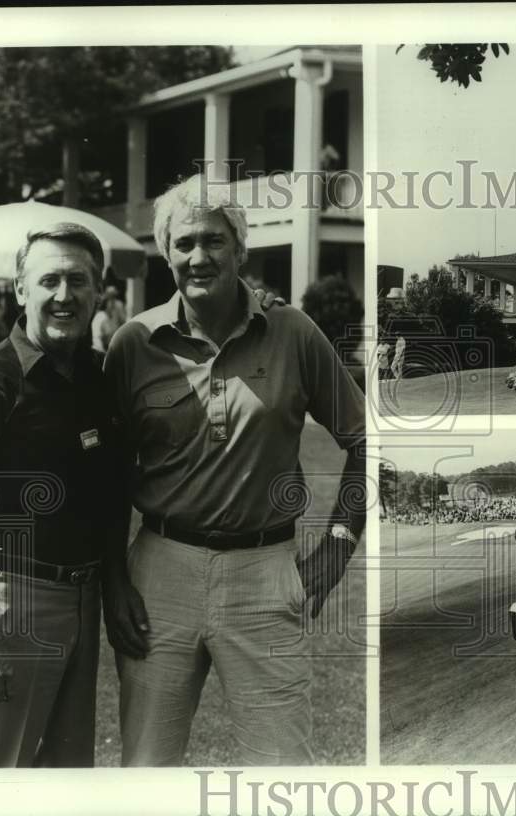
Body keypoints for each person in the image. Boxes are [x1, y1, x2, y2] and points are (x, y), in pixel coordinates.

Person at [102, 175, 367, 767]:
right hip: (159, 575)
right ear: (165, 253)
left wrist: (338, 543)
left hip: (265, 573)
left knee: (283, 773)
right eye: (184, 243)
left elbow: (367, 439)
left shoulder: (292, 332)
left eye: (215, 241)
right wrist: (114, 581)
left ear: (240, 249)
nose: (199, 256)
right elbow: (112, 470)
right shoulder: (134, 342)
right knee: (147, 767)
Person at [0, 223, 129, 767]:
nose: (64, 294)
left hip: (84, 597)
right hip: (15, 606)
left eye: (79, 280)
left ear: (98, 292)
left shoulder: (99, 377)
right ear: (21, 290)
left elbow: (111, 493)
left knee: (67, 775)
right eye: (48, 279)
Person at [91, 284, 127, 351]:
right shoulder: (101, 317)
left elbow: (122, 323)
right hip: (101, 348)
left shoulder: (117, 308)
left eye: (113, 297)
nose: (112, 302)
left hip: (112, 344)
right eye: (110, 298)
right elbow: (99, 337)